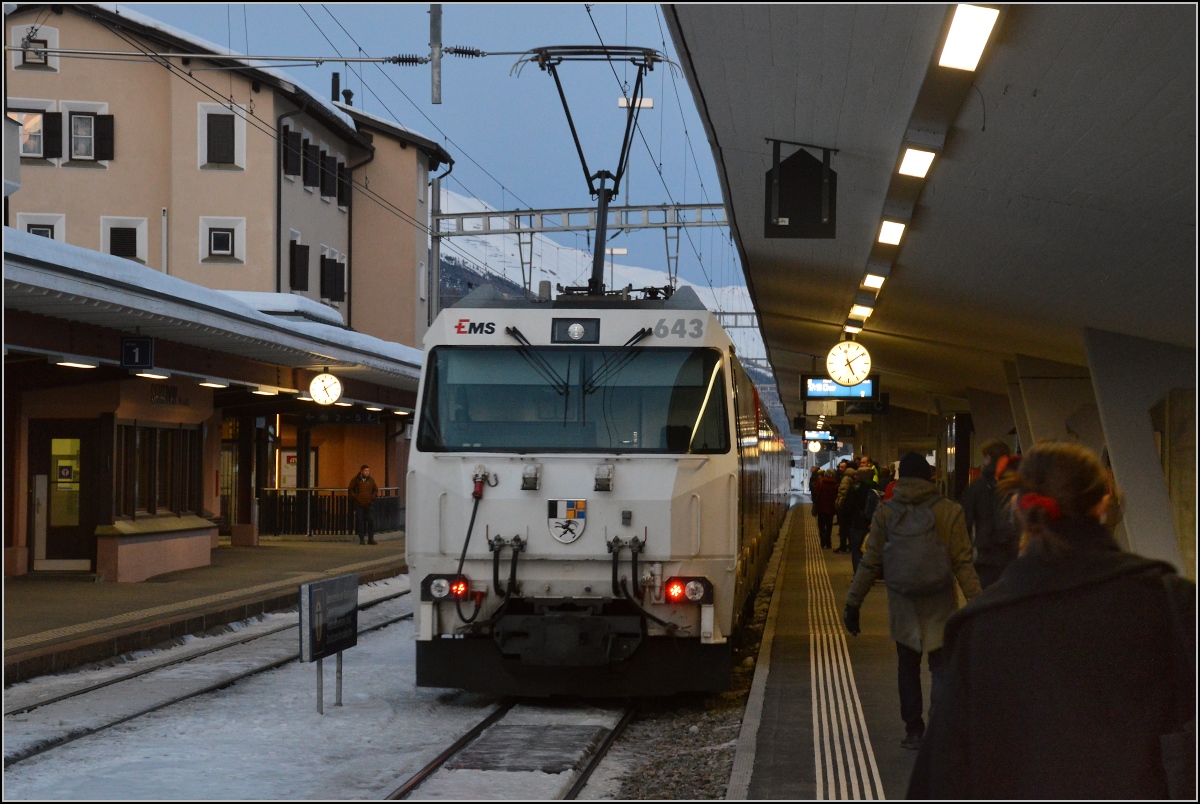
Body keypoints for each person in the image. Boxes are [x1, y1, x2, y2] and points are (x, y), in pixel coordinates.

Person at [907, 442, 1195, 799]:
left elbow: (945, 772)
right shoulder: (1172, 601)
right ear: (1105, 504)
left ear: (1017, 507)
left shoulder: (982, 626)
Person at [843, 452, 981, 751]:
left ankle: (914, 730)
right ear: (930, 477)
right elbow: (963, 564)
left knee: (907, 667)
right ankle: (938, 729)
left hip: (902, 600)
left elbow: (870, 561)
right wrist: (978, 605)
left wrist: (853, 603)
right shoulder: (950, 511)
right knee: (940, 668)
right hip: (940, 601)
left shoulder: (887, 511)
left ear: (900, 477)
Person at [960, 439, 1020, 588]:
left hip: (986, 556)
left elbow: (964, 522)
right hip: (1013, 554)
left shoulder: (977, 487)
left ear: (988, 459)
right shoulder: (1016, 484)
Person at [840, 466, 881, 573]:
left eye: (857, 475)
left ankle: (858, 575)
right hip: (871, 524)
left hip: (857, 524)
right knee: (869, 551)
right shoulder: (875, 488)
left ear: (861, 477)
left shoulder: (856, 489)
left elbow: (848, 507)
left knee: (857, 550)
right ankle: (869, 575)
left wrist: (846, 521)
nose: (855, 476)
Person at [348, 464, 379, 545]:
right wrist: (356, 497)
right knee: (360, 521)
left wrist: (372, 497)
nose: (367, 472)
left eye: (368, 471)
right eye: (366, 471)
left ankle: (370, 539)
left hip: (369, 503)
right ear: (361, 471)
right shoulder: (356, 480)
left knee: (371, 521)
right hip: (359, 504)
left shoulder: (371, 480)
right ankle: (362, 539)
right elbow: (350, 490)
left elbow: (375, 489)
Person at [811, 469, 840, 549]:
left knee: (821, 524)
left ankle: (823, 539)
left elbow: (815, 493)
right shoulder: (836, 485)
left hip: (821, 507)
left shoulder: (820, 483)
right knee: (829, 524)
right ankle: (828, 541)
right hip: (831, 508)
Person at [834, 462, 857, 552]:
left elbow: (843, 493)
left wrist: (839, 505)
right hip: (850, 507)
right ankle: (850, 545)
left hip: (845, 507)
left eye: (842, 467)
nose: (840, 469)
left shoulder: (846, 479)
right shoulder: (853, 477)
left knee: (843, 528)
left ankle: (843, 546)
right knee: (849, 527)